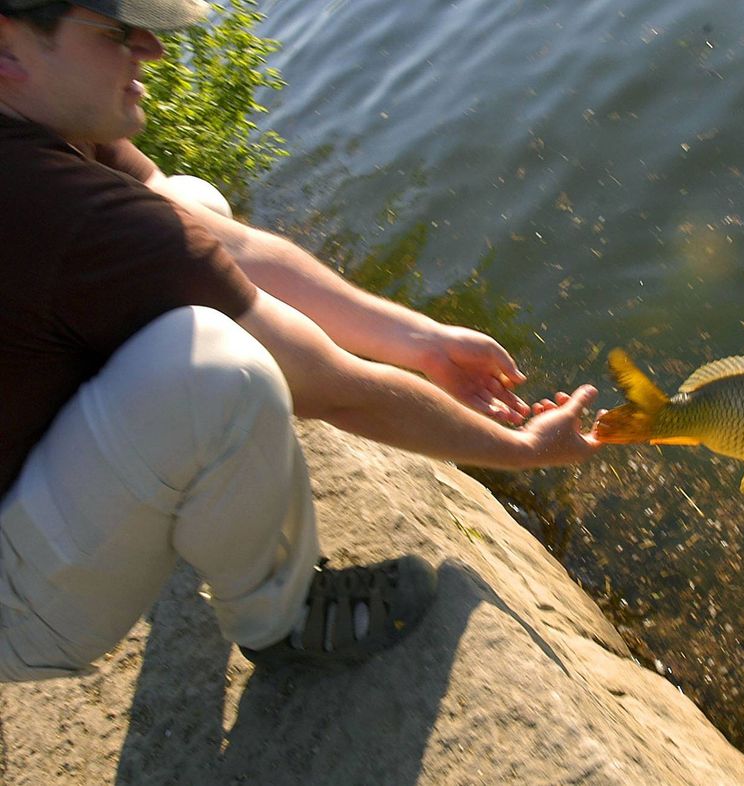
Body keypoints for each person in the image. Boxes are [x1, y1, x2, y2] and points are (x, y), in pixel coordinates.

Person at [0, 0, 602, 681]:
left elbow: (225, 244)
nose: (151, 48)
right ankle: (282, 618)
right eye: (115, 33)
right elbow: (332, 387)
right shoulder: (56, 209)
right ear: (9, 50)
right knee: (220, 370)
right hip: (17, 615)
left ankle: (186, 502)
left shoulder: (46, 124)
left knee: (191, 202)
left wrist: (424, 342)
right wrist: (520, 451)